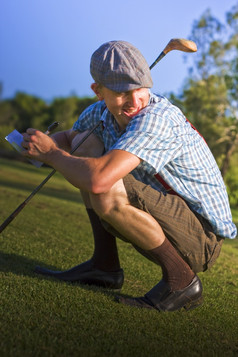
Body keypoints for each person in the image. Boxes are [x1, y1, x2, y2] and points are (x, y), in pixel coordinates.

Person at [22, 40, 237, 312]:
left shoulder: (156, 118)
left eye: (140, 88)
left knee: (105, 182)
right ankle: (104, 266)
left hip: (201, 237)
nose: (134, 101)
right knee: (84, 146)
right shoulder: (100, 113)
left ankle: (182, 281)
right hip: (172, 214)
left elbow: (98, 180)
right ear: (98, 91)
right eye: (122, 92)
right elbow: (69, 139)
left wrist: (51, 155)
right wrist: (38, 146)